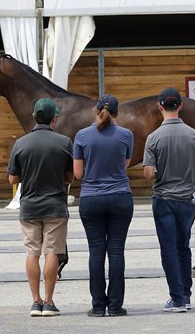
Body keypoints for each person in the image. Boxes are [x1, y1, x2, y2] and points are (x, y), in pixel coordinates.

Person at [142, 87, 195, 313]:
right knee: (184, 246)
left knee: (168, 249)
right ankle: (187, 295)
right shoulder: (194, 135)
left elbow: (149, 173)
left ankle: (177, 298)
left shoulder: (153, 138)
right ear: (180, 106)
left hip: (164, 198)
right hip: (187, 199)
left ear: (160, 107)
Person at [7, 98, 73, 317]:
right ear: (54, 118)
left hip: (29, 207)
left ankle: (35, 302)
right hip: (55, 205)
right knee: (52, 252)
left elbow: (12, 178)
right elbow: (70, 176)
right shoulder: (64, 142)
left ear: (34, 117)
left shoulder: (21, 144)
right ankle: (49, 301)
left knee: (32, 253)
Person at [73, 94, 134, 317]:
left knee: (96, 252)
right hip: (120, 196)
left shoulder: (81, 136)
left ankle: (98, 306)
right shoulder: (126, 135)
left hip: (91, 198)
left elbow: (78, 174)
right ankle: (116, 306)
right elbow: (124, 164)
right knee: (116, 251)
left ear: (94, 110)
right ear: (117, 113)